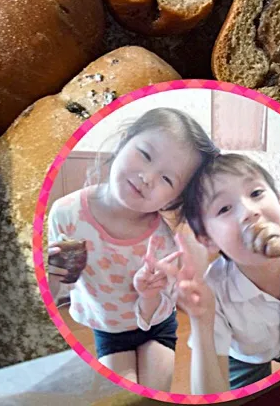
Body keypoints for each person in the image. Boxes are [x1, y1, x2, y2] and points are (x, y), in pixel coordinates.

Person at [46, 107, 218, 391]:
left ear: (175, 198)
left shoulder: (162, 239)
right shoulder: (66, 214)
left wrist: (148, 294)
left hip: (156, 325)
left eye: (167, 179)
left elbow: (157, 307)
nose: (148, 177)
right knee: (123, 393)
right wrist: (53, 273)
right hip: (108, 329)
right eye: (145, 155)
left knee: (153, 392)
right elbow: (56, 291)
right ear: (125, 140)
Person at [176, 152, 280, 393]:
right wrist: (201, 323)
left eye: (256, 193)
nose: (249, 211)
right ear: (208, 240)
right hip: (246, 354)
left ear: (279, 200)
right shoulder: (212, 292)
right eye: (225, 208)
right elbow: (208, 395)